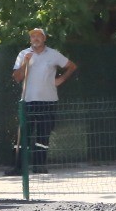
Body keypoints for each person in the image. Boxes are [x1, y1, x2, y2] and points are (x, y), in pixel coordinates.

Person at [13, 27, 77, 174]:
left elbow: (72, 66)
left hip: (48, 101)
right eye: (33, 36)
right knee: (23, 135)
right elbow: (16, 77)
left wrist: (61, 79)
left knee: (43, 135)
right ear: (30, 39)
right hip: (28, 100)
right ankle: (19, 168)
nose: (35, 38)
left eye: (38, 36)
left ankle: (39, 166)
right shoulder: (23, 54)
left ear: (44, 38)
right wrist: (25, 64)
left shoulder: (53, 54)